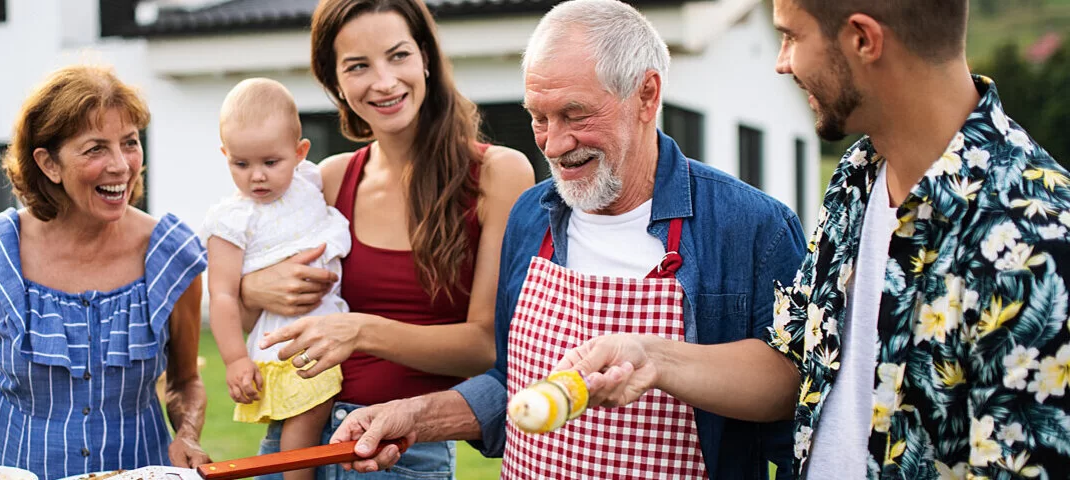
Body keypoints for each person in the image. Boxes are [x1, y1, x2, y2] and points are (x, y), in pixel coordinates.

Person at [326, 1, 807, 478]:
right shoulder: (531, 217)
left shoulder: (751, 227)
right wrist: (416, 416)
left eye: (575, 116)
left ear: (646, 95)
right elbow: (508, 383)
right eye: (539, 117)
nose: (553, 145)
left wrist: (656, 357)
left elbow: (794, 387)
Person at [766, 0, 1070, 477]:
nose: (782, 61)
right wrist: (651, 358)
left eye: (792, 36)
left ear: (864, 40)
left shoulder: (1035, 239)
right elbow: (794, 362)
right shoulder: (857, 177)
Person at [238, 0, 536, 477]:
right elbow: (246, 289)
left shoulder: (498, 174)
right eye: (358, 66)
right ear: (335, 82)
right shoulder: (327, 180)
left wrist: (360, 330)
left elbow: (487, 346)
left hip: (399, 451)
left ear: (425, 58)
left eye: (398, 55)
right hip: (296, 437)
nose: (383, 80)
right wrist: (254, 287)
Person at [0, 64, 210, 480]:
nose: (121, 165)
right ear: (48, 164)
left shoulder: (172, 253)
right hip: (12, 469)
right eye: (96, 148)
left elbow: (185, 381)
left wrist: (188, 433)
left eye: (129, 143)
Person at [203, 78, 351, 480]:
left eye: (271, 162)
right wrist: (235, 359)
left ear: (300, 153)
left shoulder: (310, 181)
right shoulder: (232, 219)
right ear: (225, 156)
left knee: (316, 410)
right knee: (307, 411)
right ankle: (295, 475)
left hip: (327, 318)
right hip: (284, 335)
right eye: (241, 164)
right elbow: (221, 294)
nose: (257, 177)